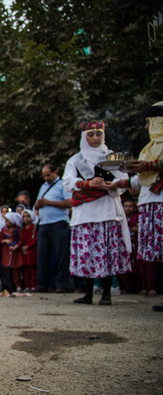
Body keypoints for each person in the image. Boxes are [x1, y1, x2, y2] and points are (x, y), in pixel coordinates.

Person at [63, 121, 131, 305]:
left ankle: (107, 294)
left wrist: (111, 185)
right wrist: (86, 183)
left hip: (107, 209)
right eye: (90, 134)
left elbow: (125, 180)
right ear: (84, 136)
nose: (94, 138)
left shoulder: (112, 157)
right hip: (85, 212)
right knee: (87, 253)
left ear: (103, 135)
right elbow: (67, 182)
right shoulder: (76, 160)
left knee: (107, 252)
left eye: (98, 134)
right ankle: (88, 293)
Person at [124, 101, 163, 298]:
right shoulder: (149, 148)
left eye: (149, 122)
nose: (146, 127)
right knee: (156, 254)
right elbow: (141, 180)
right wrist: (120, 182)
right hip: (149, 204)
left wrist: (149, 166)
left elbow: (153, 167)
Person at [34, 163, 72, 292]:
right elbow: (38, 204)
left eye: (48, 175)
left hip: (59, 223)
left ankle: (62, 284)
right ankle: (42, 284)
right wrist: (38, 206)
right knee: (42, 256)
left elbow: (69, 202)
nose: (46, 178)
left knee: (61, 256)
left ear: (55, 172)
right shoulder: (43, 186)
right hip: (43, 224)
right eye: (44, 176)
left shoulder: (63, 185)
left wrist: (48, 203)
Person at [0, 211, 24, 292]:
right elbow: (0, 239)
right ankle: (8, 285)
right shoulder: (3, 230)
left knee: (16, 270)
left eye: (8, 221)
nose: (6, 223)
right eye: (5, 221)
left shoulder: (17, 230)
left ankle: (17, 285)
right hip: (6, 252)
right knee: (6, 270)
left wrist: (16, 246)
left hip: (15, 252)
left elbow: (21, 240)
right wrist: (4, 241)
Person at [20, 209, 38, 292]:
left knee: (33, 269)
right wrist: (22, 247)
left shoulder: (34, 228)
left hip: (32, 251)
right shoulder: (22, 229)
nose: (25, 218)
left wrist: (27, 246)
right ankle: (27, 286)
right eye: (23, 217)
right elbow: (21, 239)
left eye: (28, 216)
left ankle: (34, 285)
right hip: (23, 251)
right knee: (25, 269)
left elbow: (35, 239)